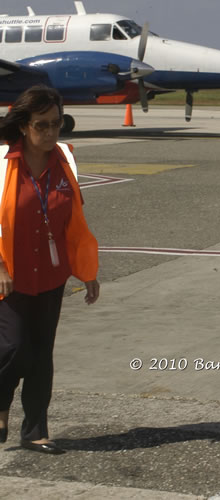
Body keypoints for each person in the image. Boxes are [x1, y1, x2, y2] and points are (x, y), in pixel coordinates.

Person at [0, 85, 100, 455]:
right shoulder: (2, 160)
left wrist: (86, 270)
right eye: (42, 125)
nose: (51, 132)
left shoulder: (66, 160)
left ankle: (35, 430)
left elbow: (73, 223)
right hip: (9, 273)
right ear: (24, 125)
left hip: (51, 274)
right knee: (12, 347)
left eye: (57, 124)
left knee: (41, 353)